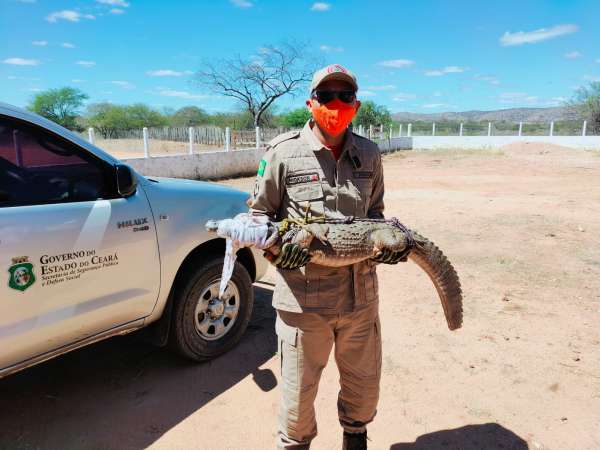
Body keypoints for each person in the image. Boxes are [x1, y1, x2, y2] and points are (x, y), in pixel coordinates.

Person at [248, 64, 406, 450]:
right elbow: (257, 216)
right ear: (310, 101)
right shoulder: (282, 152)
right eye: (326, 96)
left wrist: (387, 244)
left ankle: (355, 438)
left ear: (356, 103)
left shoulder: (369, 153)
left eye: (344, 96)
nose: (335, 103)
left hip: (360, 301)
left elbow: (376, 214)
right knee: (297, 404)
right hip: (304, 304)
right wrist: (274, 250)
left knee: (363, 391)